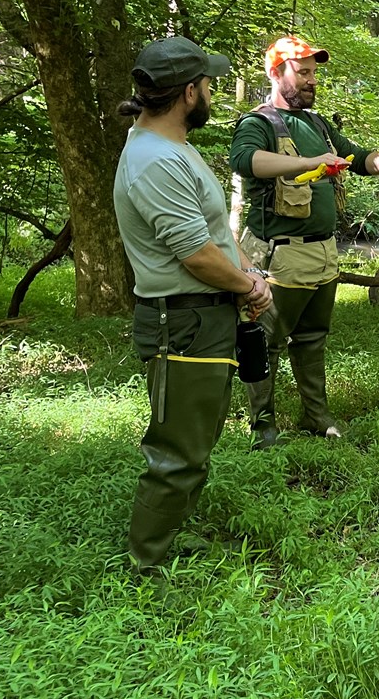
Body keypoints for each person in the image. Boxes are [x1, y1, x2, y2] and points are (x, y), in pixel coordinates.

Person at [114, 36, 274, 576]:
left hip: (200, 314)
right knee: (177, 450)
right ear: (188, 92)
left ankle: (167, 538)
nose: (211, 92)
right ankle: (146, 565)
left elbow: (208, 241)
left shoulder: (167, 146)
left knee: (195, 439)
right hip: (182, 320)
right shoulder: (155, 161)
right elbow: (198, 256)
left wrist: (244, 274)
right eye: (207, 84)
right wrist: (249, 287)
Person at [229, 35, 379, 447]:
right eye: (303, 72)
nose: (312, 80)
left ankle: (316, 416)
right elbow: (246, 161)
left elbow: (355, 156)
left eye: (314, 73)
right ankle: (263, 426)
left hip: (324, 253)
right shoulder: (258, 123)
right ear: (275, 73)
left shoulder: (318, 124)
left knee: (313, 338)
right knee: (266, 340)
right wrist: (308, 162)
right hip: (280, 258)